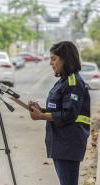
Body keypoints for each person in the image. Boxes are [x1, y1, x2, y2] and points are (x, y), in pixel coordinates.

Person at [28, 41, 91, 185]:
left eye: (54, 59)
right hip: (61, 142)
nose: (51, 63)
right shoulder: (63, 81)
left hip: (69, 144)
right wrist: (41, 110)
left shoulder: (74, 83)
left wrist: (41, 116)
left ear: (66, 59)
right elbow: (59, 108)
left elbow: (69, 114)